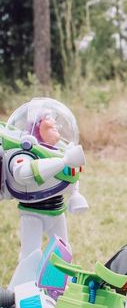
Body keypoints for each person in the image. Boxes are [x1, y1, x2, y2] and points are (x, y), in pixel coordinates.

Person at [1, 97, 88, 291]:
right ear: (36, 129)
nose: (55, 124)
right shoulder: (23, 152)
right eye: (49, 122)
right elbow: (23, 173)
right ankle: (20, 291)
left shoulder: (56, 152)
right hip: (32, 213)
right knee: (31, 255)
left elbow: (70, 177)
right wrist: (64, 161)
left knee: (63, 250)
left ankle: (58, 289)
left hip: (57, 210)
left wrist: (75, 195)